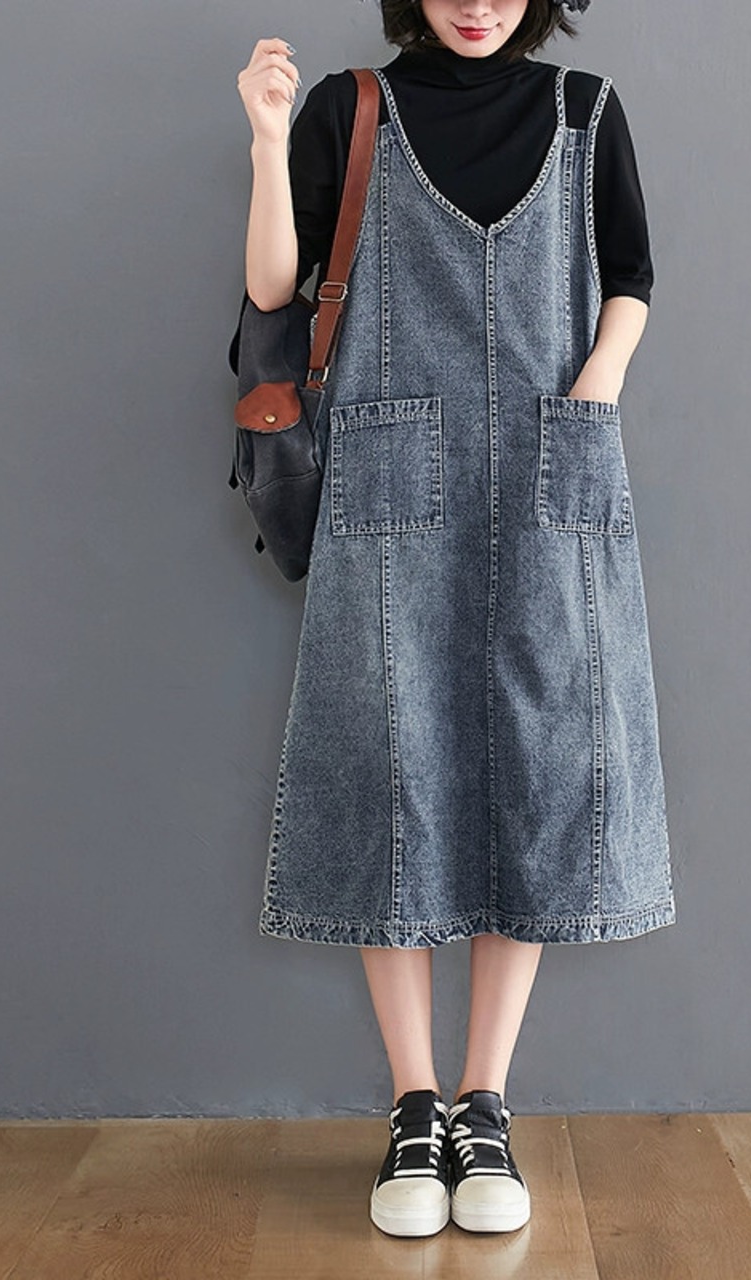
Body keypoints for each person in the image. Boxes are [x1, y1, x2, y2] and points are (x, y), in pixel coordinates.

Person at [233, 0, 675, 1240]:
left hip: (548, 468)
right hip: (388, 482)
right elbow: (272, 286)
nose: (475, 2)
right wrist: (267, 140)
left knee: (535, 774)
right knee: (394, 777)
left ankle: (485, 1099)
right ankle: (411, 1104)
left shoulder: (583, 113)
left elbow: (631, 278)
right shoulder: (347, 109)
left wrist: (592, 390)